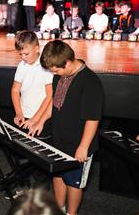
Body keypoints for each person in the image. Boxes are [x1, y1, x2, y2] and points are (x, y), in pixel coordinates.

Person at [31, 40, 103, 215]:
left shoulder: (90, 82)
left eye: (56, 70)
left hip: (78, 143)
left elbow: (93, 119)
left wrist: (83, 147)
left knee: (74, 182)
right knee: (57, 175)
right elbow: (55, 104)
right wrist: (41, 121)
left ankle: (71, 213)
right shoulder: (60, 76)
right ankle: (59, 209)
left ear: (68, 62)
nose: (54, 73)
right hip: (59, 138)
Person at [11, 31, 53, 132]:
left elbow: (49, 95)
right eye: (20, 54)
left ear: (37, 48)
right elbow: (15, 91)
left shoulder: (46, 66)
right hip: (24, 116)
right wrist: (19, 113)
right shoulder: (21, 65)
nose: (23, 57)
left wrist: (35, 119)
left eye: (26, 54)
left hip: (41, 118)